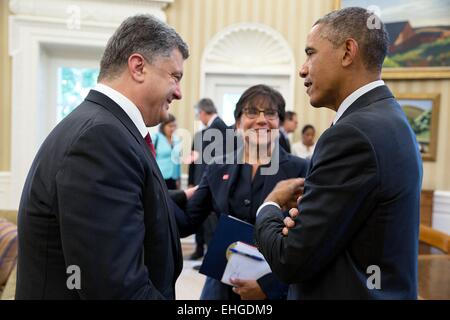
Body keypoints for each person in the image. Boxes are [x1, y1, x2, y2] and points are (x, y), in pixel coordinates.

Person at [16, 14, 189, 299]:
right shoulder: (101, 138)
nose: (179, 92)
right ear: (138, 67)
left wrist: (183, 197)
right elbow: (116, 289)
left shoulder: (104, 126)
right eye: (175, 76)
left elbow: (130, 204)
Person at [255, 7, 422, 299]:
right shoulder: (389, 116)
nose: (303, 69)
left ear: (347, 52)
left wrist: (269, 207)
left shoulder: (351, 134)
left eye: (310, 53)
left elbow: (290, 259)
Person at [175, 84, 309, 300]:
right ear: (238, 123)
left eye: (271, 114)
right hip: (221, 287)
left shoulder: (300, 169)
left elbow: (308, 239)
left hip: (274, 288)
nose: (261, 120)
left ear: (279, 123)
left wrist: (269, 286)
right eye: (252, 112)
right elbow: (187, 220)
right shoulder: (218, 167)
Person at [188, 98, 228, 260]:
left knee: (211, 224)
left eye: (199, 114)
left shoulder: (220, 128)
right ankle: (201, 251)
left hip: (211, 184)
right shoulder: (204, 132)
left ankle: (211, 258)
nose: (199, 118)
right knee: (201, 220)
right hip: (202, 182)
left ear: (203, 112)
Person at [152, 114, 181, 190]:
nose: (172, 128)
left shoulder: (177, 140)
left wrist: (178, 178)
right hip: (160, 177)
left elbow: (178, 161)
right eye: (170, 126)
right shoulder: (156, 138)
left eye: (174, 126)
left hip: (173, 178)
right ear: (163, 126)